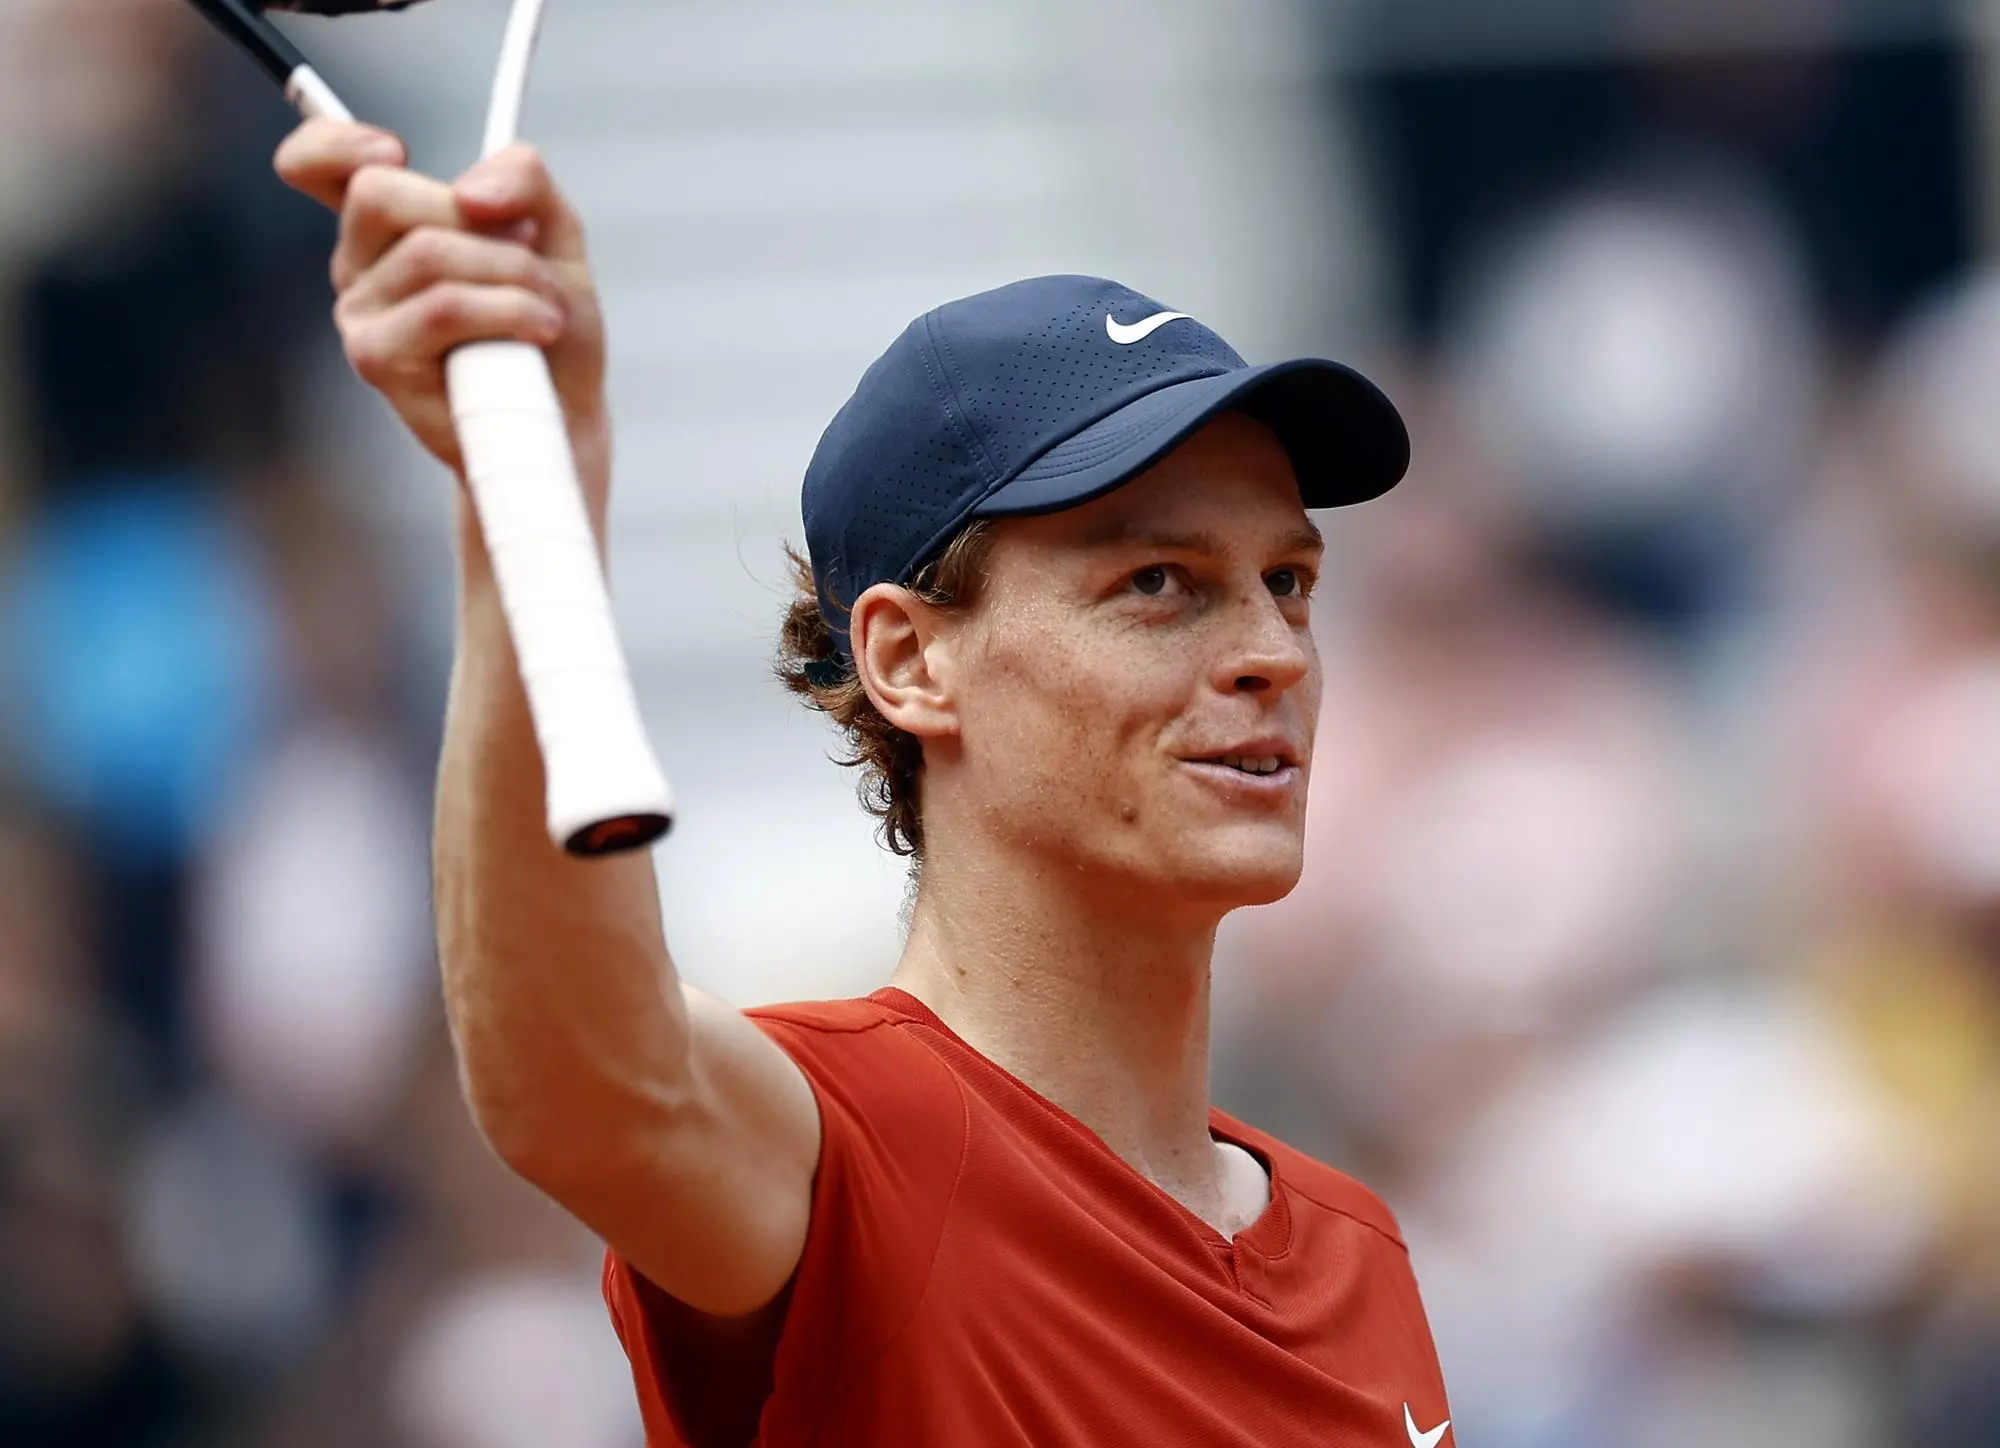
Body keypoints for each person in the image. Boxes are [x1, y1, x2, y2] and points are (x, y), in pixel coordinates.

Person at [274, 119, 1454, 1448]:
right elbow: (577, 1075)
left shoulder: (1363, 1252)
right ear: (909, 659)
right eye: (1158, 583)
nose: (1269, 653)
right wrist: (526, 492)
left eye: (1288, 583)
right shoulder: (847, 1146)